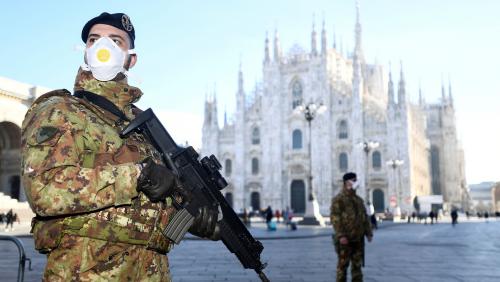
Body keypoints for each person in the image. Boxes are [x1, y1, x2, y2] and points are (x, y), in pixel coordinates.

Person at [21, 12, 219, 281]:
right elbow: (45, 191)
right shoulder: (59, 111)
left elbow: (154, 199)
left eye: (116, 41)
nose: (104, 48)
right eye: (94, 40)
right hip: (85, 272)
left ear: (131, 58)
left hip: (151, 272)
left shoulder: (144, 125)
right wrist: (138, 175)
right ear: (86, 52)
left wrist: (190, 218)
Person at [330, 172, 373, 282]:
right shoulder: (339, 199)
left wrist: (368, 232)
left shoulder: (358, 200)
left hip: (358, 239)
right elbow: (335, 219)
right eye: (354, 180)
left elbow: (364, 217)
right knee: (342, 266)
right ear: (346, 183)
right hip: (345, 239)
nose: (356, 182)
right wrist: (341, 235)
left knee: (357, 266)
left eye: (356, 180)